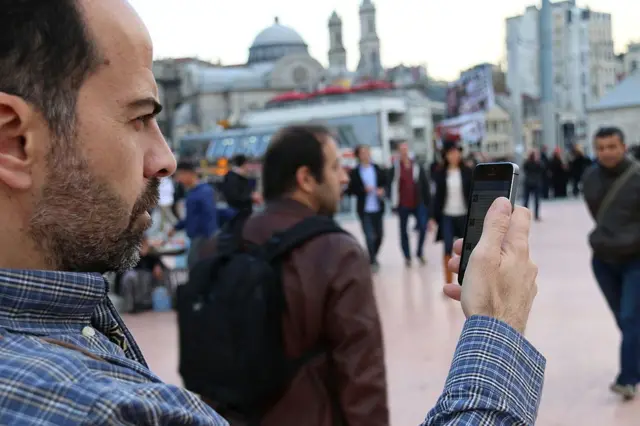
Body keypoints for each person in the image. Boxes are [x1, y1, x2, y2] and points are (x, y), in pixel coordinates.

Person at [0, 2, 544, 424]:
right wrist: (496, 326)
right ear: (16, 141)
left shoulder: (80, 312)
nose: (165, 159)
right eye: (140, 117)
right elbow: (361, 377)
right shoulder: (102, 410)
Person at [582, 127, 640, 400]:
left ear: (623, 147)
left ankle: (627, 379)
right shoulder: (590, 177)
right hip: (603, 259)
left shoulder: (637, 177)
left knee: (630, 318)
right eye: (601, 147)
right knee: (624, 319)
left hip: (635, 259)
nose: (606, 152)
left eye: (611, 146)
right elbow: (598, 215)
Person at [430, 141, 472, 284]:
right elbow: (436, 197)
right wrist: (432, 217)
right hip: (447, 215)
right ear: (446, 155)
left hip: (464, 215)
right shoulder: (440, 173)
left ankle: (466, 280)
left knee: (466, 249)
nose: (454, 156)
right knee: (447, 247)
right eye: (451, 153)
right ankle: (448, 281)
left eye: (456, 152)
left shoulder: (468, 171)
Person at [344, 144, 387, 272]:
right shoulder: (355, 172)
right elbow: (350, 190)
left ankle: (372, 255)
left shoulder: (377, 169)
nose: (365, 155)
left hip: (377, 208)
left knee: (379, 235)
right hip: (364, 210)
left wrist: (382, 190)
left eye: (367, 152)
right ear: (358, 156)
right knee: (369, 236)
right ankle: (373, 261)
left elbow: (385, 183)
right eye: (362, 153)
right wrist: (363, 190)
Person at [169, 160, 218, 268]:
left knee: (195, 267)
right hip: (196, 238)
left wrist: (209, 242)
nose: (178, 179)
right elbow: (191, 217)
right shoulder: (192, 192)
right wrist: (176, 227)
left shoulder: (204, 192)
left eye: (179, 175)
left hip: (202, 239)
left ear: (189, 173)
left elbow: (209, 217)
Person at [390, 142, 432, 266]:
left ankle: (419, 252)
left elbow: (425, 185)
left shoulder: (417, 166)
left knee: (423, 227)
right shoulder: (395, 168)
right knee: (403, 231)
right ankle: (407, 256)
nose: (404, 151)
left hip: (418, 202)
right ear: (398, 152)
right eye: (401, 149)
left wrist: (428, 204)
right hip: (402, 204)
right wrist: (392, 202)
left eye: (406, 149)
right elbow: (390, 184)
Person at [522, 150, 544, 221]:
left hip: (528, 182)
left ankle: (524, 215)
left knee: (526, 200)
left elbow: (524, 169)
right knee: (536, 200)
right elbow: (542, 169)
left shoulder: (527, 163)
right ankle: (536, 216)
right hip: (535, 183)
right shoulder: (538, 163)